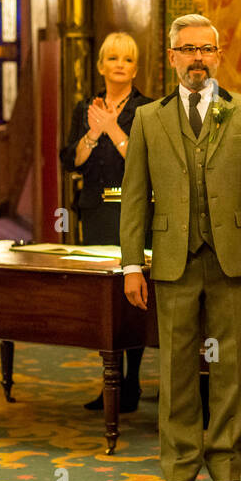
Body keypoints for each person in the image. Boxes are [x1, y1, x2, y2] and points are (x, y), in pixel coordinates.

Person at [119, 14, 241, 481]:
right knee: (176, 369)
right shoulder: (148, 119)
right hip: (174, 261)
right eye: (187, 49)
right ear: (172, 56)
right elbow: (135, 197)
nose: (197, 58)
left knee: (229, 367)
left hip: (232, 260)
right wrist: (132, 264)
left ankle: (226, 468)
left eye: (206, 49)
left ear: (218, 56)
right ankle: (179, 470)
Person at [59, 32, 152, 412]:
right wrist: (93, 133)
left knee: (132, 293)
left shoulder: (148, 109)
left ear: (135, 68)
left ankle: (131, 381)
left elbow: (144, 161)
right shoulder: (85, 109)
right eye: (112, 58)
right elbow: (70, 160)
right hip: (95, 212)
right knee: (104, 297)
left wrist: (113, 129)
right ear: (100, 66)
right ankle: (109, 380)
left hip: (133, 212)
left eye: (127, 59)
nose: (119, 65)